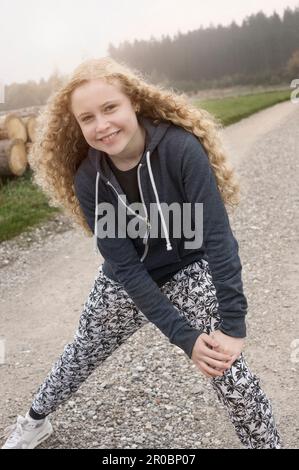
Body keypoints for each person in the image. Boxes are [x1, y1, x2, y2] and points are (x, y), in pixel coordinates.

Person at [1, 57, 281, 449]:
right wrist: (184, 337)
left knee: (227, 366)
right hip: (125, 281)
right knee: (82, 352)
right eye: (87, 118)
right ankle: (33, 421)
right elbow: (126, 268)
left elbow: (218, 239)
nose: (102, 125)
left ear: (133, 101)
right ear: (77, 126)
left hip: (187, 270)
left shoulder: (181, 149)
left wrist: (233, 327)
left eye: (110, 108)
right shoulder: (89, 178)